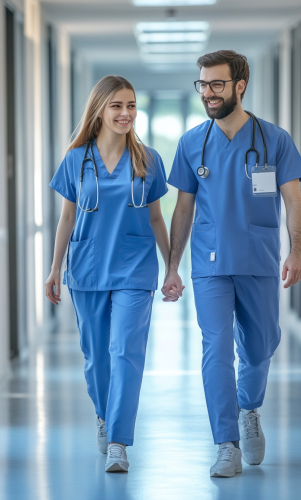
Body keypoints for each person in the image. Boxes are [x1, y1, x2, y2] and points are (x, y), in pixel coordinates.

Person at [162, 50, 301, 478]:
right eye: (202, 84)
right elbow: (182, 210)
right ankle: (226, 443)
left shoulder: (274, 139)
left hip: (259, 258)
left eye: (216, 84)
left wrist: (296, 250)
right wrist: (172, 266)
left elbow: (293, 200)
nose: (207, 92)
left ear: (239, 86)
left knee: (262, 344)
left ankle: (249, 407)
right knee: (216, 350)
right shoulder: (193, 142)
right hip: (209, 263)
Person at [45, 75, 170, 473]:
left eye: (131, 106)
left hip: (136, 269)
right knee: (97, 357)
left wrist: (172, 268)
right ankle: (103, 414)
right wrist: (53, 269)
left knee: (126, 353)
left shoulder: (148, 160)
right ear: (99, 109)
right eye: (117, 106)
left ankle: (118, 440)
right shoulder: (75, 158)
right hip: (87, 267)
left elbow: (156, 217)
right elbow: (67, 217)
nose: (126, 113)